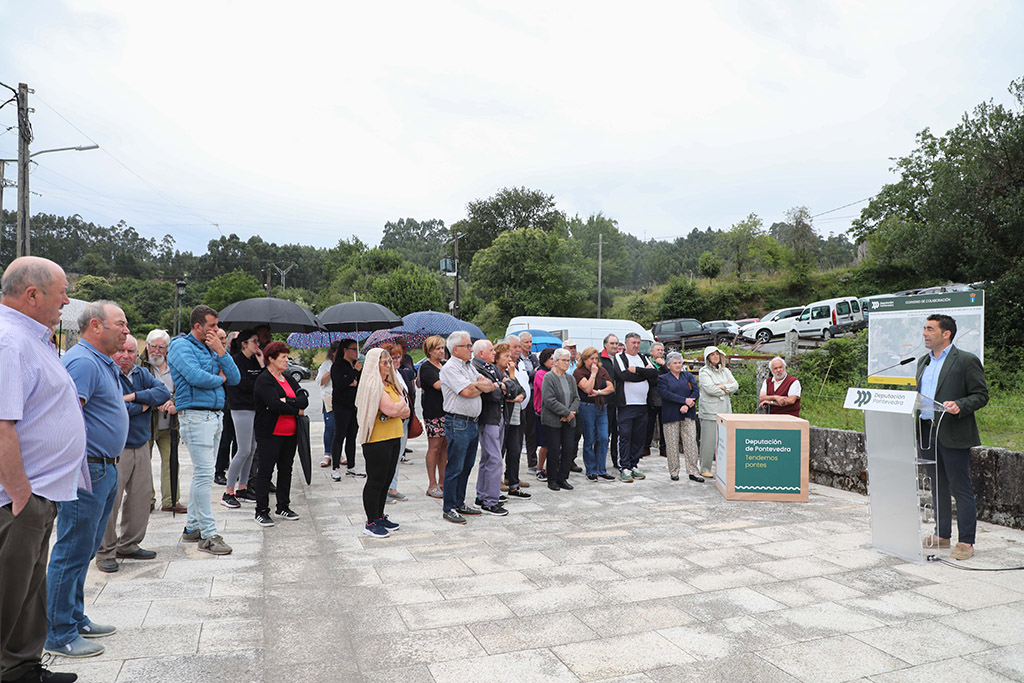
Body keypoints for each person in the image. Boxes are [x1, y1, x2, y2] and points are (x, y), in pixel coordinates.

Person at [1, 256, 84, 682]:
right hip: (18, 499)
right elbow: (2, 425)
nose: (66, 301)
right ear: (32, 295)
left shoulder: (31, 338)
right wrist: (21, 495)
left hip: (39, 494)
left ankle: (20, 669)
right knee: (7, 592)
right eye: (62, 293)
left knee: (27, 593)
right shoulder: (8, 341)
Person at [46, 300, 131, 658]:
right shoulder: (83, 362)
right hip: (89, 470)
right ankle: (58, 632)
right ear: (96, 326)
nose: (126, 330)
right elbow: (67, 417)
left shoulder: (100, 361)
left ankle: (74, 617)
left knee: (84, 550)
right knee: (71, 551)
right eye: (120, 323)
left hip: (104, 467)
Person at [167, 305, 240, 555]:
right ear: (197, 326)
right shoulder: (180, 346)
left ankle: (192, 528)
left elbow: (235, 377)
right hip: (195, 415)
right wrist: (220, 379)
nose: (216, 330)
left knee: (202, 474)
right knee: (204, 474)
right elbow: (195, 377)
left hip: (214, 415)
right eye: (212, 325)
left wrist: (222, 352)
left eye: (217, 325)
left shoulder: (212, 347)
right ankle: (208, 534)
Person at [95, 336, 171, 573]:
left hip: (141, 443)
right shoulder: (106, 374)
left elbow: (163, 393)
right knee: (111, 501)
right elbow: (111, 408)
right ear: (113, 351)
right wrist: (144, 405)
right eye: (121, 350)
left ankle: (128, 544)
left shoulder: (141, 374)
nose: (125, 356)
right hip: (116, 448)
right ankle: (105, 551)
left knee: (141, 497)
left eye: (130, 351)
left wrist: (134, 397)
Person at [917, 314, 988, 561]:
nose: (924, 333)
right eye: (924, 328)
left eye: (930, 329)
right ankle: (942, 534)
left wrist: (960, 404)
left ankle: (966, 541)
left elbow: (981, 395)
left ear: (946, 334)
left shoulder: (966, 361)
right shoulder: (923, 361)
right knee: (937, 485)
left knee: (960, 487)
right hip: (927, 431)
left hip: (953, 432)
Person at [439, 330, 496, 524]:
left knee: (467, 465)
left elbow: (489, 385)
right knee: (455, 466)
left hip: (472, 422)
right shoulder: (450, 368)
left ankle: (460, 502)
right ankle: (449, 508)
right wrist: (477, 386)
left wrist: (477, 385)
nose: (471, 349)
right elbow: (467, 391)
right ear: (456, 349)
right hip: (458, 422)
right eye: (468, 346)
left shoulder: (469, 366)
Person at [354, 348, 409, 538]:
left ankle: (379, 515)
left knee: (386, 479)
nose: (388, 365)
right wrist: (396, 409)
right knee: (376, 480)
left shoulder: (391, 384)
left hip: (393, 436)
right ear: (374, 364)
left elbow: (406, 409)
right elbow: (392, 409)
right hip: (377, 439)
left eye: (389, 361)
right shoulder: (372, 385)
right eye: (384, 362)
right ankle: (371, 522)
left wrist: (396, 409)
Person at [251, 342, 307, 527]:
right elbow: (273, 404)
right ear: (271, 359)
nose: (286, 360)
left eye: (287, 357)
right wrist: (295, 408)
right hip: (270, 433)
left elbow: (304, 400)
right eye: (283, 357)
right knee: (265, 471)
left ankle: (283, 506)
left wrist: (286, 401)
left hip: (290, 433)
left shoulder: (289, 378)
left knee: (286, 469)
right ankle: (261, 511)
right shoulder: (264, 379)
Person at [142, 329, 184, 513]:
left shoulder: (175, 366)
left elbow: (182, 389)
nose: (156, 351)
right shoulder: (140, 365)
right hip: (146, 423)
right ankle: (146, 500)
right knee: (144, 463)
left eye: (161, 347)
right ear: (147, 346)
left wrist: (173, 402)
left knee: (171, 461)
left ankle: (171, 501)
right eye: (153, 346)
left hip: (170, 424)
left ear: (167, 349)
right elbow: (136, 390)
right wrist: (155, 401)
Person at [221, 329, 263, 508]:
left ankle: (243, 488)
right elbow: (245, 384)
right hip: (240, 408)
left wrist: (262, 364)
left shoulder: (255, 360)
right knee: (243, 449)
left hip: (254, 408)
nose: (258, 345)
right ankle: (228, 491)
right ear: (244, 343)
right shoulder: (236, 361)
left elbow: (264, 382)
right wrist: (258, 381)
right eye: (255, 341)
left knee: (252, 449)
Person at [610, 332, 659, 483]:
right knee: (625, 436)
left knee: (639, 437)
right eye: (633, 342)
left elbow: (654, 374)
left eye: (638, 343)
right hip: (626, 404)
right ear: (626, 343)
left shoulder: (643, 358)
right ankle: (624, 466)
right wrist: (644, 374)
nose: (636, 345)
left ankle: (633, 464)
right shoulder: (620, 357)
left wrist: (637, 370)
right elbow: (623, 375)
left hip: (642, 404)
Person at [472, 340, 511, 516]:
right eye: (491, 350)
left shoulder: (492, 368)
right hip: (488, 418)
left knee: (489, 458)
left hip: (499, 416)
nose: (494, 352)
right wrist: (500, 387)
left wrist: (501, 386)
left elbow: (513, 386)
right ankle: (490, 501)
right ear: (481, 353)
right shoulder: (476, 368)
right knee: (494, 459)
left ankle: (482, 495)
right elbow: (490, 394)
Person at [573, 346, 616, 481]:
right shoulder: (578, 372)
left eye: (596, 358)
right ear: (584, 359)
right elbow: (587, 388)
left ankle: (601, 469)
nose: (594, 361)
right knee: (589, 438)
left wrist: (599, 392)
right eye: (591, 359)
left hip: (601, 406)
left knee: (603, 438)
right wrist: (592, 374)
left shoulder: (602, 370)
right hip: (586, 407)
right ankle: (591, 470)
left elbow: (611, 387)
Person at [541, 348, 580, 491]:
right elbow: (549, 400)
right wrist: (566, 412)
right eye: (564, 360)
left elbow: (576, 398)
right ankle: (552, 479)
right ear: (556, 362)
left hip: (569, 420)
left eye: (568, 360)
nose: (567, 363)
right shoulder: (549, 377)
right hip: (553, 420)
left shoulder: (570, 378)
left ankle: (563, 478)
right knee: (554, 450)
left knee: (568, 449)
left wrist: (570, 413)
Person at [659, 352, 702, 482]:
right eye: (675, 363)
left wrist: (687, 405)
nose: (678, 365)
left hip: (688, 413)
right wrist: (684, 400)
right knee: (672, 444)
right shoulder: (663, 378)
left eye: (679, 363)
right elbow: (665, 394)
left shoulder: (688, 376)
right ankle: (674, 471)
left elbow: (695, 392)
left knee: (691, 443)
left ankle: (693, 471)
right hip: (671, 414)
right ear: (668, 365)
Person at [697, 345, 739, 478]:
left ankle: (722, 469)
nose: (715, 357)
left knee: (724, 441)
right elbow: (710, 389)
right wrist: (726, 389)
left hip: (725, 410)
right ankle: (704, 468)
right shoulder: (704, 372)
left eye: (717, 354)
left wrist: (722, 387)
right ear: (707, 357)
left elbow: (735, 385)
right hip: (709, 411)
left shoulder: (725, 371)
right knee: (708, 442)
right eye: (712, 354)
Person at [499, 338, 530, 498]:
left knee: (515, 450)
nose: (517, 350)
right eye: (514, 347)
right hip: (504, 416)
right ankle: (497, 481)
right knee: (500, 451)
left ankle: (513, 482)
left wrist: (520, 396)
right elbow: (510, 392)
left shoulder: (517, 366)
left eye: (519, 346)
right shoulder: (500, 372)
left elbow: (521, 390)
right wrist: (511, 377)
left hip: (518, 414)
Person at [330, 339, 364, 481]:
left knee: (352, 436)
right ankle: (335, 468)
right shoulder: (338, 365)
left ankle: (351, 466)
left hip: (354, 405)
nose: (356, 352)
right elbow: (340, 383)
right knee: (340, 435)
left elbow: (359, 383)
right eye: (353, 349)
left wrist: (355, 376)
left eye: (357, 349)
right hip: (341, 405)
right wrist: (353, 373)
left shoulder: (356, 365)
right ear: (345, 350)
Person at [418, 335, 447, 498]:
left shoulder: (444, 365)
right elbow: (438, 385)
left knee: (444, 448)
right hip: (434, 412)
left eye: (443, 348)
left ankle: (442, 482)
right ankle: (432, 484)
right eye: (438, 348)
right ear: (429, 351)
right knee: (434, 447)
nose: (442, 351)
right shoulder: (427, 367)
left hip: (446, 411)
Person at [383, 343, 411, 503]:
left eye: (398, 357)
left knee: (398, 454)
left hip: (404, 420)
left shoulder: (400, 374)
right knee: (388, 457)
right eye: (392, 358)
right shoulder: (384, 378)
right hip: (392, 420)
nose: (396, 361)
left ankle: (392, 487)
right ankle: (385, 489)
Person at [517, 332, 539, 474]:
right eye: (526, 342)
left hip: (533, 395)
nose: (529, 344)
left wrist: (533, 373)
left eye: (531, 342)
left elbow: (539, 372)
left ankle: (532, 461)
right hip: (521, 396)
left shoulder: (533, 357)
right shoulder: (517, 358)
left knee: (532, 430)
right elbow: (525, 375)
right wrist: (532, 373)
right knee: (519, 432)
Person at [532, 348, 555, 481]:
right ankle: (540, 469)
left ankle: (550, 469)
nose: (554, 361)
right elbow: (548, 391)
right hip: (542, 412)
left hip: (554, 412)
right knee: (545, 444)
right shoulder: (541, 374)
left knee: (553, 443)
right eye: (551, 359)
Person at [599, 334, 621, 471]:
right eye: (612, 343)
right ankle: (599, 463)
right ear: (605, 344)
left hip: (618, 402)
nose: (614, 346)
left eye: (616, 343)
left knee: (617, 434)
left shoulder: (620, 358)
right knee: (603, 435)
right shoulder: (599, 359)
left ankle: (616, 461)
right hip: (604, 402)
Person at [317, 342, 339, 468]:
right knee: (330, 425)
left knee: (340, 428)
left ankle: (338, 453)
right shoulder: (326, 365)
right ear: (333, 352)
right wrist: (331, 371)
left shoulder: (345, 364)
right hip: (329, 398)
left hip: (342, 398)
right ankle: (327, 453)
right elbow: (320, 381)